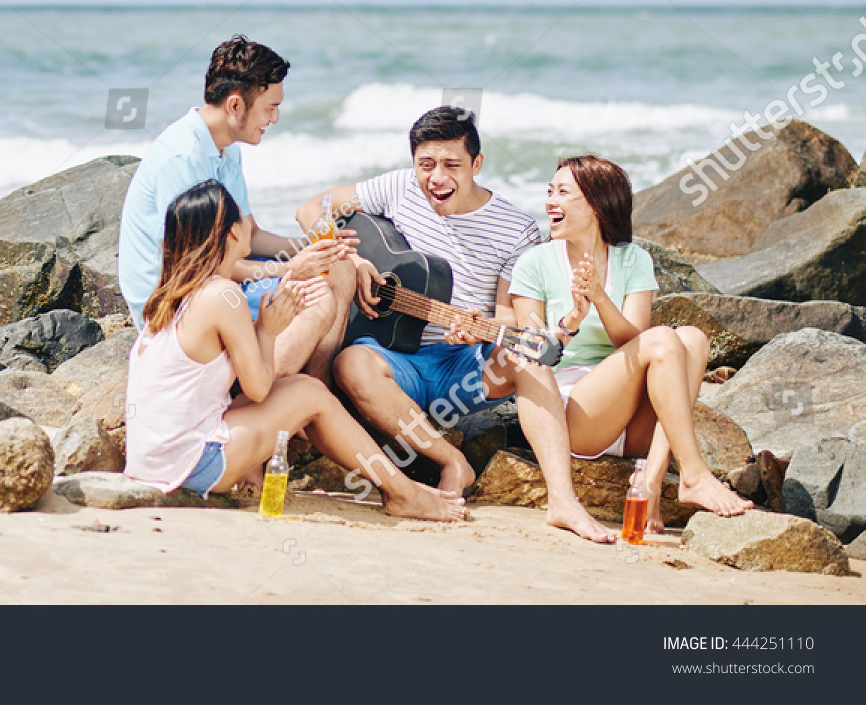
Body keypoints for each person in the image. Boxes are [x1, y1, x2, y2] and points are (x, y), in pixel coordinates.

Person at [297, 106, 618, 543]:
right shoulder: (397, 187)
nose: (436, 177)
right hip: (395, 357)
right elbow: (312, 207)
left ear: (477, 164)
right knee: (352, 364)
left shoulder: (518, 230)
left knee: (527, 354)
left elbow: (510, 319)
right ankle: (452, 461)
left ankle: (563, 501)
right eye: (426, 164)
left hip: (462, 365)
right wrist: (348, 255)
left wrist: (479, 329)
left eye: (452, 165)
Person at [123, 179, 466, 523]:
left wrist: (266, 327)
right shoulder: (222, 296)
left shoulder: (171, 294)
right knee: (311, 396)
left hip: (152, 459)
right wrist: (268, 331)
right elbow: (257, 389)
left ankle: (399, 488)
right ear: (231, 235)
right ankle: (404, 494)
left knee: (308, 390)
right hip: (190, 466)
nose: (249, 225)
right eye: (242, 219)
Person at [509, 154, 754, 530]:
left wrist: (600, 299)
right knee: (664, 340)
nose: (549, 203)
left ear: (596, 203)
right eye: (549, 192)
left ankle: (650, 482)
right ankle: (693, 473)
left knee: (693, 339)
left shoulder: (633, 259)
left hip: (633, 422)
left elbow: (632, 339)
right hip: (577, 415)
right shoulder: (534, 263)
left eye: (562, 193)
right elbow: (531, 348)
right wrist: (571, 319)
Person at [118, 36, 369, 380]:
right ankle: (269, 393)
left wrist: (316, 249)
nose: (275, 118)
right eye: (270, 107)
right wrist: (289, 269)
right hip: (176, 303)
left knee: (337, 270)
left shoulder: (227, 150)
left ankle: (313, 389)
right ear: (235, 105)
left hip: (215, 278)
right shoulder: (183, 158)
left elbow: (250, 234)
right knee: (316, 298)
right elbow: (201, 266)